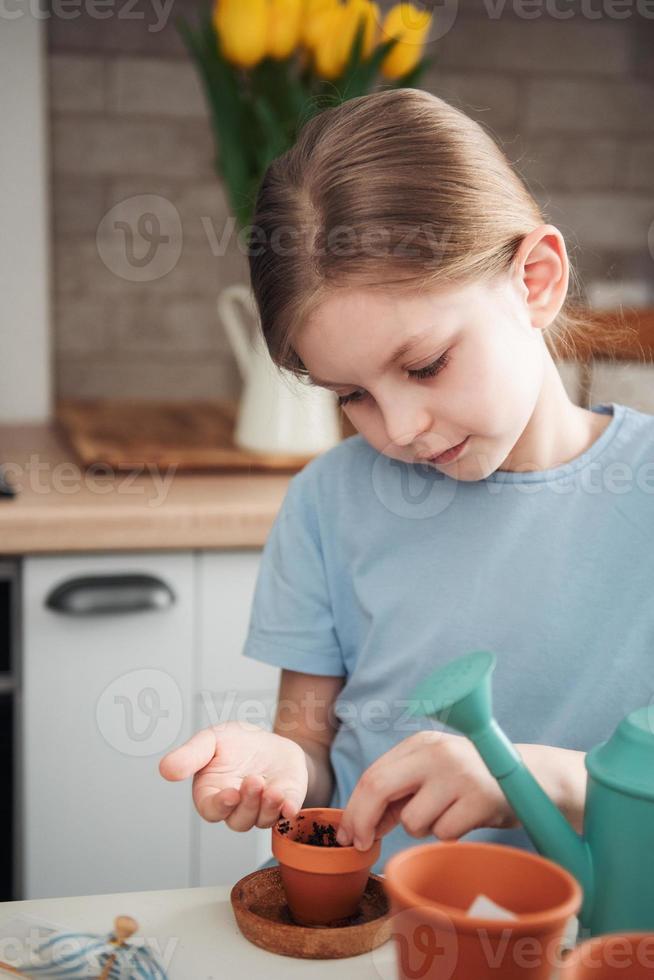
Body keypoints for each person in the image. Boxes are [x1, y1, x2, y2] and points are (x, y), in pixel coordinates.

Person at [159, 88, 653, 874]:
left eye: (425, 365)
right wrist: (284, 768)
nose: (400, 429)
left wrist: (535, 778)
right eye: (350, 395)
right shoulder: (328, 504)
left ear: (537, 280)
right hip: (381, 937)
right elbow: (313, 748)